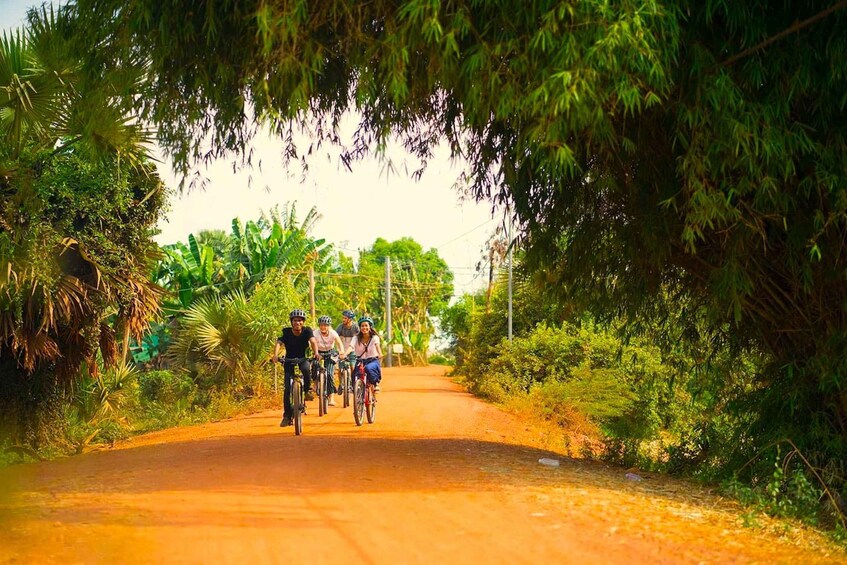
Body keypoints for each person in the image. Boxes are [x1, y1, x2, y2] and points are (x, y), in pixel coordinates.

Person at [274, 309, 319, 427]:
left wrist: (316, 353)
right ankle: (287, 416)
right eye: (295, 320)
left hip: (302, 358)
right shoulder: (287, 332)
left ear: (303, 322)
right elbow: (279, 342)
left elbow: (313, 341)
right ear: (291, 322)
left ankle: (308, 390)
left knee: (305, 369)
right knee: (287, 389)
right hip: (288, 359)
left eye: (299, 320)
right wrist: (275, 355)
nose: (297, 323)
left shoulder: (307, 331)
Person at [347, 316, 383, 392]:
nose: (364, 328)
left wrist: (379, 353)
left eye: (366, 325)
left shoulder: (374, 337)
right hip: (360, 361)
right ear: (360, 327)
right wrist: (344, 354)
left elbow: (377, 346)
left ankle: (375, 383)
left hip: (372, 360)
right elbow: (351, 347)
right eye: (362, 326)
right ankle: (356, 390)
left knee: (369, 369)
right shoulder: (356, 338)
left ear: (370, 326)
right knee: (355, 374)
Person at [315, 315, 345, 406]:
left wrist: (341, 352)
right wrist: (315, 353)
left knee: (330, 374)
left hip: (330, 353)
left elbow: (339, 343)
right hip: (318, 352)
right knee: (313, 366)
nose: (323, 327)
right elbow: (311, 343)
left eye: (325, 325)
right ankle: (315, 384)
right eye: (321, 325)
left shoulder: (333, 333)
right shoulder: (315, 333)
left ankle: (331, 398)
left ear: (328, 326)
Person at [335, 309, 359, 393]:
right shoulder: (340, 327)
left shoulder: (355, 327)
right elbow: (335, 337)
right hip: (342, 350)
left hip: (352, 350)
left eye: (345, 318)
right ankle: (341, 384)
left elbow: (358, 339)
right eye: (343, 318)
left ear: (350, 319)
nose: (343, 320)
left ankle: (353, 384)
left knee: (353, 367)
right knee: (340, 369)